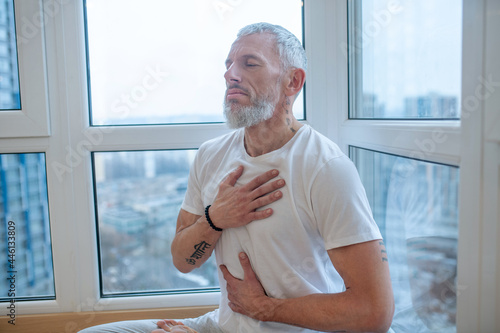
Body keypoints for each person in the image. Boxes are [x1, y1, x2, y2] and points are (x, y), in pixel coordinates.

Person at [80, 22, 394, 333]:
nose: (230, 74)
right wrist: (215, 218)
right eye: (229, 64)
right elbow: (182, 261)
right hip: (222, 324)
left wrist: (265, 308)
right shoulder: (210, 154)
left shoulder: (326, 168)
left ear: (293, 81)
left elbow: (374, 312)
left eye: (249, 63)